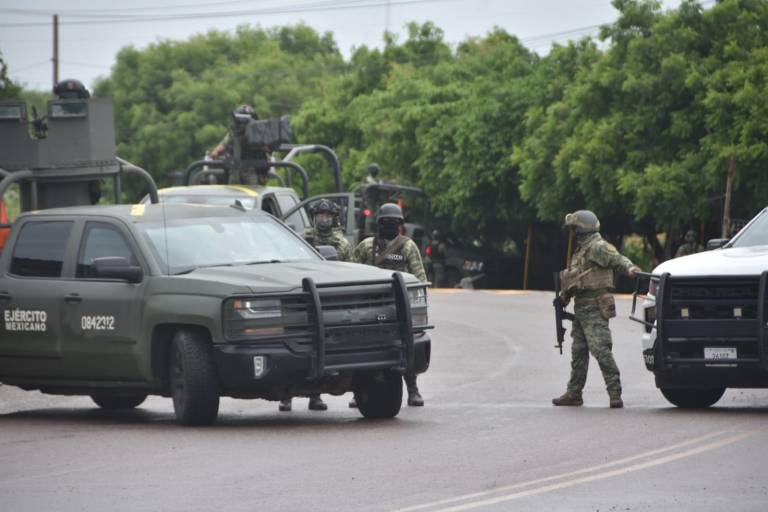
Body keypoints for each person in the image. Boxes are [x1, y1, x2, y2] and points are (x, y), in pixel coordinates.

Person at [552, 210, 640, 409]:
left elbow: (618, 259)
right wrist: (564, 297)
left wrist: (630, 268)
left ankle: (614, 392)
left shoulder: (598, 247)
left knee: (601, 350)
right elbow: (577, 280)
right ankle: (574, 393)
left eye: (574, 228)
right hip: (581, 308)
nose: (572, 232)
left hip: (595, 307)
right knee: (579, 352)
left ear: (583, 229)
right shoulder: (581, 250)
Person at [278, 198, 352, 413]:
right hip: (304, 300)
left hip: (330, 300)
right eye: (319, 216)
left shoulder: (341, 244)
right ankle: (286, 397)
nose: (323, 220)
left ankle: (315, 396)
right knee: (294, 349)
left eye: (327, 216)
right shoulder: (302, 239)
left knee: (323, 351)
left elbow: (350, 271)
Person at [352, 202, 427, 407]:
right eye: (386, 222)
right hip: (370, 305)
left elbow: (419, 279)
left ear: (400, 224)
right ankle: (358, 392)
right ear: (379, 223)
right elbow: (350, 273)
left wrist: (417, 308)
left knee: (406, 346)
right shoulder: (367, 246)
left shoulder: (408, 246)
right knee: (362, 347)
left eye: (393, 223)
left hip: (398, 306)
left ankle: (412, 389)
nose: (389, 226)